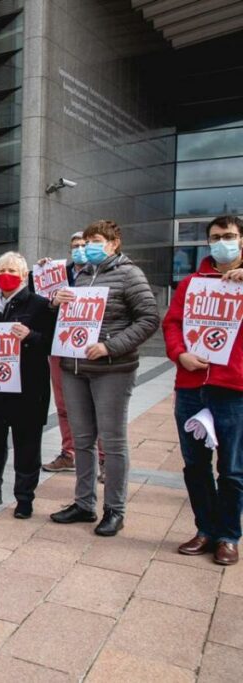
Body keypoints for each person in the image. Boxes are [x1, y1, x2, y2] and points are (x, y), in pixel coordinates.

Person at [50, 220, 160, 536]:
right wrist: (56, 303)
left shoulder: (130, 274)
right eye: (85, 242)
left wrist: (110, 346)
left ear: (114, 243)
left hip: (112, 369)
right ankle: (84, 503)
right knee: (82, 441)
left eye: (96, 240)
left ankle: (115, 509)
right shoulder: (82, 274)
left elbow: (149, 319)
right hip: (74, 369)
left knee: (112, 442)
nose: (88, 247)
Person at [163, 215, 243, 566]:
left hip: (232, 388)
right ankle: (206, 529)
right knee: (195, 465)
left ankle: (228, 535)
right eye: (214, 237)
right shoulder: (191, 284)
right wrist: (180, 353)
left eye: (228, 236)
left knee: (233, 468)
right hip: (192, 386)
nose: (221, 242)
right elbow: (172, 324)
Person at [0, 252, 55, 519]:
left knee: (27, 446)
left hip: (27, 389)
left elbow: (51, 342)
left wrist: (30, 336)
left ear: (24, 275)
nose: (7, 275)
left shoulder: (39, 305)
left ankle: (24, 498)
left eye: (13, 271)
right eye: (2, 269)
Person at [42, 231, 106, 474]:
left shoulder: (104, 272)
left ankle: (103, 458)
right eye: (75, 246)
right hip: (61, 347)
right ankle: (69, 452)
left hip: (91, 348)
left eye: (84, 245)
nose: (80, 249)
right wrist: (43, 273)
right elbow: (41, 302)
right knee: (63, 404)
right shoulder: (60, 274)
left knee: (97, 407)